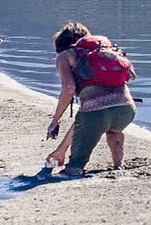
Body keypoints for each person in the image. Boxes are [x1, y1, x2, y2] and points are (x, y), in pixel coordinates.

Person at [45, 21, 135, 176]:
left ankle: (75, 167)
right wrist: (61, 149)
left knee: (75, 165)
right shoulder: (105, 51)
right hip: (126, 109)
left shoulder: (65, 56)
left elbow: (69, 89)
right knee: (114, 129)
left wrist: (55, 120)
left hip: (95, 115)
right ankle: (118, 165)